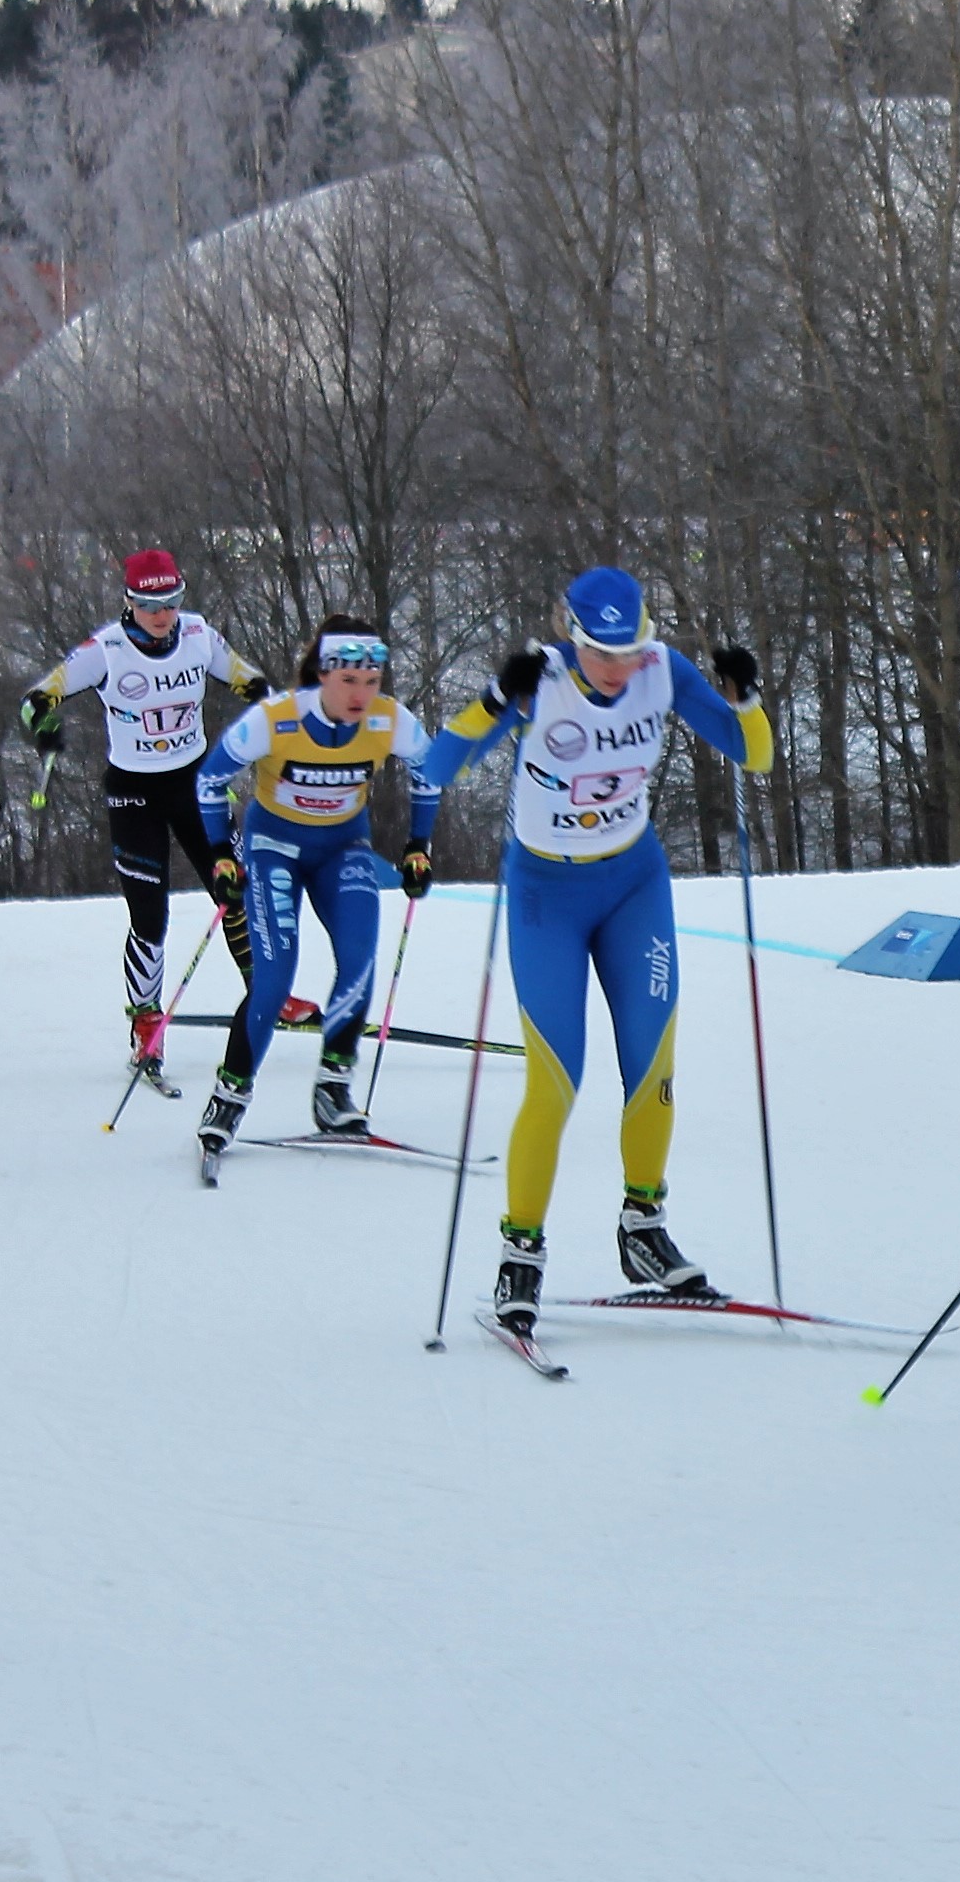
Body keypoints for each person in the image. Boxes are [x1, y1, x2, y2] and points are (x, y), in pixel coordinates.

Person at [421, 566, 773, 1328]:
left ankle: (643, 1229)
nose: (617, 669)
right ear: (570, 637)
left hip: (634, 886)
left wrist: (746, 697)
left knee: (652, 1065)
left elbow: (755, 757)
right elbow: (437, 767)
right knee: (555, 1083)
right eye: (600, 653)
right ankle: (521, 1255)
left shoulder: (663, 670)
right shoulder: (538, 680)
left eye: (630, 651)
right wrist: (493, 698)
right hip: (547, 895)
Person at [191, 616, 437, 1162]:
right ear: (322, 675)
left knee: (358, 959)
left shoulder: (390, 720)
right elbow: (209, 778)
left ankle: (332, 1089)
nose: (361, 694)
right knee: (275, 979)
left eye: (372, 681)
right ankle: (229, 1096)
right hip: (273, 849)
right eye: (348, 681)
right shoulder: (275, 720)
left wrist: (418, 845)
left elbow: (431, 772)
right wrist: (218, 855)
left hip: (343, 851)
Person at [21, 548, 266, 1085]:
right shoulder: (106, 649)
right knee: (150, 919)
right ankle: (146, 1021)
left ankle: (267, 993)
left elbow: (253, 683)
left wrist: (274, 715)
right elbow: (36, 698)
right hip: (134, 792)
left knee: (238, 892)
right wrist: (44, 725)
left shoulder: (200, 635)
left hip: (197, 784)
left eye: (172, 601)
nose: (163, 614)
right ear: (130, 601)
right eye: (151, 603)